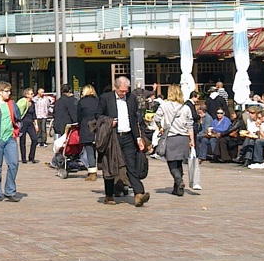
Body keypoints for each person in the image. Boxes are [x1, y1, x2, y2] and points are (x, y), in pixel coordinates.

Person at [99, 76, 149, 206]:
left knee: (131, 166)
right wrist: (109, 122)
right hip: (112, 136)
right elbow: (97, 116)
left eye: (126, 91)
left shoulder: (131, 98)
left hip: (128, 136)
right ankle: (109, 195)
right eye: (122, 91)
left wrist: (138, 138)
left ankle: (139, 194)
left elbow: (135, 119)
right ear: (116, 88)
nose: (124, 93)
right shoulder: (106, 98)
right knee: (111, 166)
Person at [153, 84, 196, 196]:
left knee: (172, 162)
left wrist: (160, 128)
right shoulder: (186, 107)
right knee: (179, 162)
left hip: (171, 137)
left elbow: (156, 118)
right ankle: (177, 189)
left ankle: (178, 180)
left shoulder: (164, 105)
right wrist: (192, 140)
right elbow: (190, 124)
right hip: (183, 137)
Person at [76, 84, 102, 179]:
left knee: (89, 150)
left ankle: (92, 172)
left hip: (86, 127)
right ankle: (99, 168)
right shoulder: (98, 101)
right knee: (98, 149)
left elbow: (79, 116)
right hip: (98, 127)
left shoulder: (81, 102)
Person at [50, 85, 78, 168]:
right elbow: (72, 113)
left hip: (57, 125)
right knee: (65, 144)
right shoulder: (69, 101)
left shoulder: (58, 101)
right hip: (66, 126)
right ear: (69, 91)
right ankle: (59, 161)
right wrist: (76, 122)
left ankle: (56, 160)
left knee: (58, 144)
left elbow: (54, 113)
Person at [33, 87, 53, 154]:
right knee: (38, 129)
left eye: (43, 92)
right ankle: (38, 141)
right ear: (38, 92)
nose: (42, 93)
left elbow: (48, 106)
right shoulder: (35, 99)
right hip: (37, 115)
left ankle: (44, 141)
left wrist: (52, 111)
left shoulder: (46, 99)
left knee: (44, 129)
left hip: (44, 115)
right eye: (41, 92)